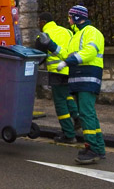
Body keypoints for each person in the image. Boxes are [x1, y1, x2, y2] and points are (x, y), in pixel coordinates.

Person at [57, 5, 106, 164]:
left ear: (77, 18)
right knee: (88, 113)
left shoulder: (92, 32)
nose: (69, 20)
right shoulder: (76, 35)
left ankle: (91, 148)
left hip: (88, 77)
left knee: (85, 114)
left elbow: (89, 52)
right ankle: (98, 148)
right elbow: (66, 54)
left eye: (70, 17)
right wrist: (51, 45)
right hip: (80, 79)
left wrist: (68, 61)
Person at [36, 12, 80, 144]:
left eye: (39, 21)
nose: (38, 24)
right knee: (67, 96)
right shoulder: (67, 31)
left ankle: (69, 134)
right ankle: (77, 118)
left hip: (57, 72)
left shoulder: (43, 36)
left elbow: (39, 57)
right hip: (71, 69)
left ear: (43, 22)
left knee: (60, 103)